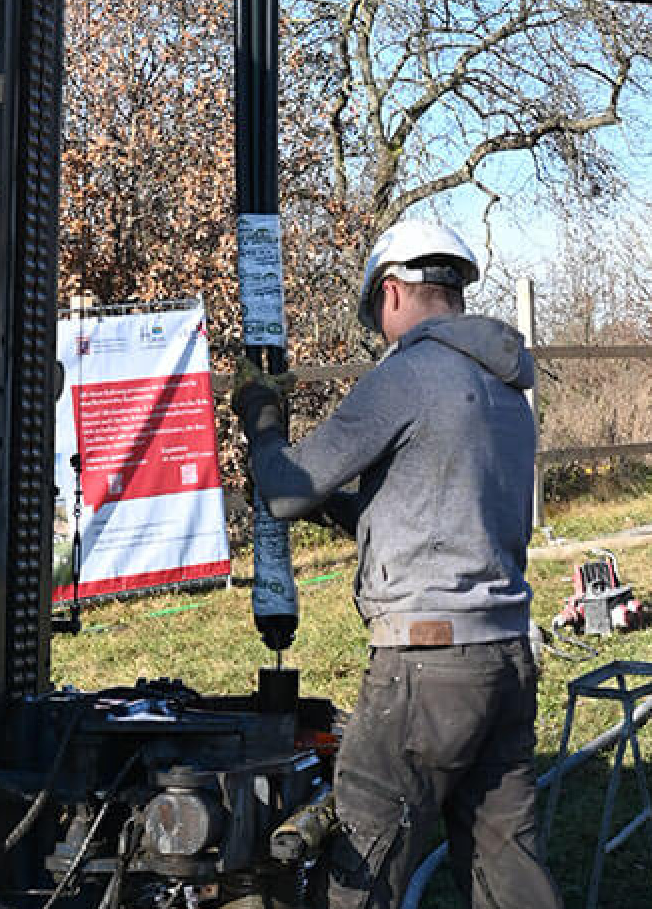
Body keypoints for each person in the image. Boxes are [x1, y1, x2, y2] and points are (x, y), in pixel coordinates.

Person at [233, 218, 560, 909]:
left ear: (391, 292)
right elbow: (447, 524)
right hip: (504, 658)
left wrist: (260, 417)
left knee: (362, 865)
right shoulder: (504, 387)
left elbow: (286, 488)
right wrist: (347, 509)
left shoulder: (410, 373)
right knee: (509, 871)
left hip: (426, 669)